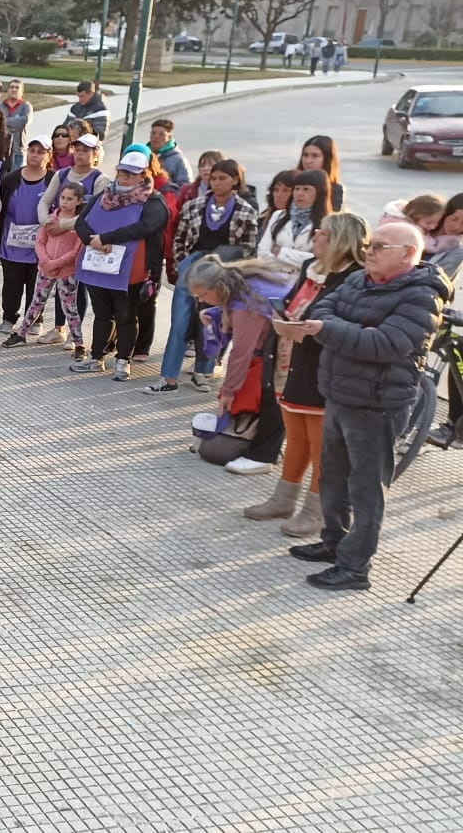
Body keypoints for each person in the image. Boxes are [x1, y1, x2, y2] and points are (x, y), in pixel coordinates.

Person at [280, 223, 451, 589]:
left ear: (407, 253)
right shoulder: (362, 280)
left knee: (367, 488)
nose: (369, 251)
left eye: (379, 246)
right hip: (340, 394)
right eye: (369, 244)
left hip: (378, 404)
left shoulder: (421, 295)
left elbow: (387, 343)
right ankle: (334, 543)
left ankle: (355, 566)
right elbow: (323, 307)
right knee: (334, 478)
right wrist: (346, 329)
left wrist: (330, 329)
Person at [244, 213, 368, 536]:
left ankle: (317, 511)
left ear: (340, 239)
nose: (315, 235)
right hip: (291, 358)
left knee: (321, 445)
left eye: (322, 232)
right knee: (296, 435)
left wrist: (302, 329)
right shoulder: (310, 266)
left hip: (323, 367)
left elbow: (343, 324)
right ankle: (284, 498)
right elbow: (295, 303)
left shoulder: (355, 277)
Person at [144, 158, 261, 394]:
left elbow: (249, 250)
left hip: (224, 270)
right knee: (179, 320)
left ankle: (202, 373)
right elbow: (179, 238)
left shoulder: (245, 212)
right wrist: (181, 263)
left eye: (223, 178)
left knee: (211, 322)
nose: (216, 183)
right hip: (193, 265)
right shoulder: (195, 206)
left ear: (235, 180)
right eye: (214, 178)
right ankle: (169, 378)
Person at [185, 255, 297, 476]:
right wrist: (217, 313)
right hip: (278, 349)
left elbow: (241, 352)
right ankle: (263, 448)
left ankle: (263, 455)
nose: (203, 301)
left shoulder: (246, 305)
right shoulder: (240, 281)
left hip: (279, 355)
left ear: (217, 287)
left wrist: (227, 391)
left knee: (267, 400)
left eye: (203, 295)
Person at [70, 147, 168, 381]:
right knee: (102, 314)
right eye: (122, 171)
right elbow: (81, 221)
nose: (125, 176)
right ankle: (96, 358)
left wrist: (107, 238)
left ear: (143, 173)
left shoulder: (153, 200)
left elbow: (146, 227)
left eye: (131, 173)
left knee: (126, 316)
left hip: (130, 270)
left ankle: (123, 361)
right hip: (98, 266)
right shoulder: (104, 195)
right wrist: (93, 240)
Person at [4, 182, 87, 357]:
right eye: (63, 197)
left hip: (66, 272)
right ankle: (21, 334)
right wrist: (46, 261)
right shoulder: (50, 219)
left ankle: (78, 343)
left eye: (70, 199)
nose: (65, 202)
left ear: (79, 201)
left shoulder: (77, 224)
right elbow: (40, 241)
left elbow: (75, 251)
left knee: (70, 307)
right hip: (45, 269)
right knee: (36, 302)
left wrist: (55, 264)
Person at [0, 137, 54, 332]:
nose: (34, 155)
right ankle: (9, 317)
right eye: (32, 150)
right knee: (11, 283)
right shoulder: (10, 180)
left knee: (36, 284)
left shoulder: (53, 180)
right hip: (12, 243)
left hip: (41, 246)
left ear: (48, 156)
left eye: (40, 152)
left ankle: (36, 319)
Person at [259, 169, 330, 269]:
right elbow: (263, 252)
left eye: (306, 189)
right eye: (297, 189)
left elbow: (320, 261)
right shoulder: (279, 216)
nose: (299, 193)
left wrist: (282, 252)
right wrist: (300, 258)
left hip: (305, 280)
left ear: (319, 193)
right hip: (273, 275)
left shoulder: (328, 223)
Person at [298, 135, 343, 211]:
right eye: (305, 155)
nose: (308, 161)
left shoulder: (335, 190)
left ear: (327, 160)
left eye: (315, 156)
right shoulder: (291, 182)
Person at [0, 80, 31, 169]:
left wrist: (3, 122)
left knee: (14, 180)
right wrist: (15, 121)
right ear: (7, 90)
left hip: (17, 151)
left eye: (17, 87)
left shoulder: (26, 107)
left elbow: (23, 122)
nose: (14, 89)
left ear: (22, 92)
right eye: (12, 87)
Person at [148, 118, 189, 187]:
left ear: (169, 137)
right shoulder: (144, 155)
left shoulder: (178, 159)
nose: (156, 136)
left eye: (161, 134)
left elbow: (185, 187)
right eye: (153, 133)